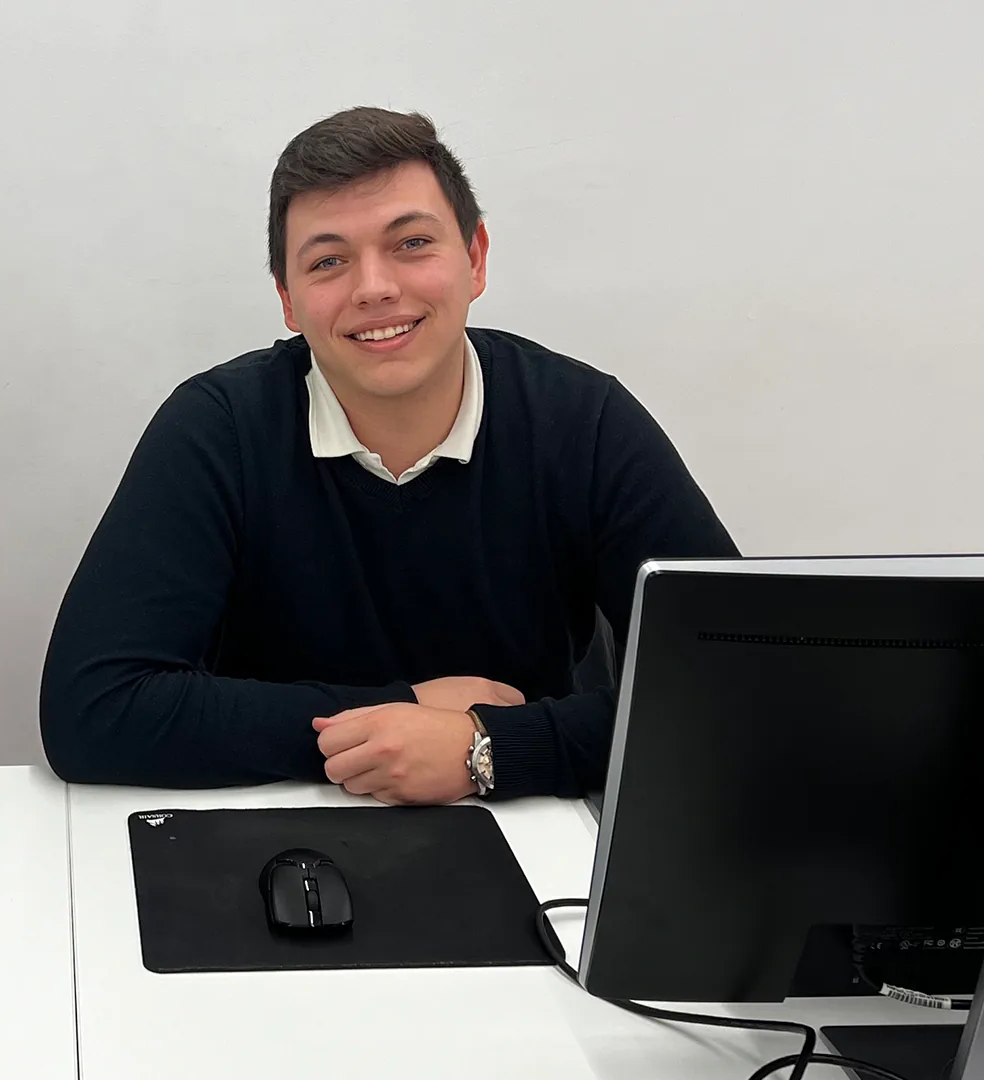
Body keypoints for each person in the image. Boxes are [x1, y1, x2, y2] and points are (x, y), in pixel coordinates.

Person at [40, 107, 736, 802]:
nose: (373, 287)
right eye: (329, 261)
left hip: (537, 827)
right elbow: (93, 709)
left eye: (411, 243)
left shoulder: (584, 421)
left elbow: (740, 683)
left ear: (475, 258)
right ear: (288, 300)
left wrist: (486, 749)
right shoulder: (219, 429)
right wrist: (398, 712)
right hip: (276, 829)